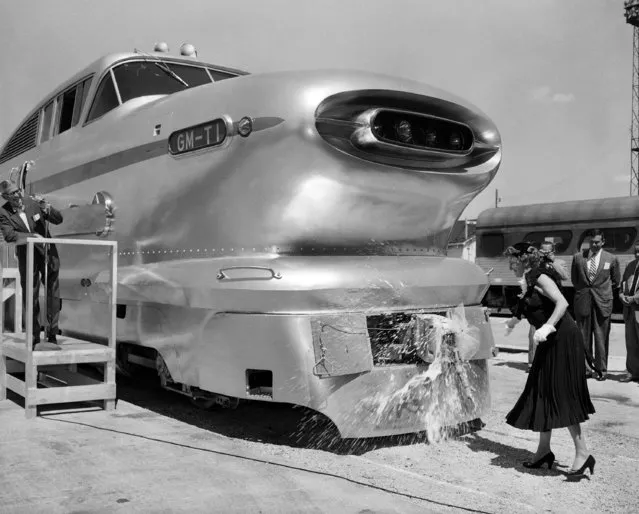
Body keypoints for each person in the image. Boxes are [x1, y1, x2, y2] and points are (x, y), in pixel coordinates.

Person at [504, 242, 596, 476]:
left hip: (562, 338)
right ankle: (544, 451)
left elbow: (562, 303)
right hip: (549, 341)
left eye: (512, 260)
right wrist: (515, 320)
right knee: (541, 390)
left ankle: (582, 452)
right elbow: (534, 304)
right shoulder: (528, 279)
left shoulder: (539, 275)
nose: (509, 264)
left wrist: (546, 327)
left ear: (524, 259)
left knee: (559, 392)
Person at [0, 180, 63, 347]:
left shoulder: (32, 202)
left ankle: (52, 334)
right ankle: (34, 335)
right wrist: (32, 238)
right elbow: (9, 236)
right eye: (12, 194)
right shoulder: (3, 213)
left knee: (53, 293)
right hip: (27, 256)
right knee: (31, 294)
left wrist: (47, 208)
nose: (17, 195)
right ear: (5, 196)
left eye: (17, 191)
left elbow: (58, 219)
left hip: (48, 253)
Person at [571, 229, 620, 381]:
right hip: (583, 301)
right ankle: (585, 369)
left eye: (597, 242)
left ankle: (601, 370)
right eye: (591, 242)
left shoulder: (611, 258)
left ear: (603, 242)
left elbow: (616, 280)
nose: (594, 244)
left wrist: (602, 292)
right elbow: (575, 280)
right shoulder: (578, 257)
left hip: (603, 302)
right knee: (583, 337)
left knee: (601, 338)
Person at [524, 242, 570, 372]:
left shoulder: (559, 262)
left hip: (553, 302)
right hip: (538, 302)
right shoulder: (536, 262)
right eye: (542, 251)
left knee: (551, 334)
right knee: (533, 332)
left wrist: (552, 260)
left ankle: (551, 362)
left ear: (553, 251)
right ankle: (532, 363)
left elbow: (565, 276)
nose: (545, 253)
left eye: (548, 251)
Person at [619, 243, 639, 382]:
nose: (637, 255)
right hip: (629, 311)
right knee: (631, 343)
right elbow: (623, 284)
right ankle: (632, 372)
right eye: (636, 252)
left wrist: (633, 298)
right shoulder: (630, 265)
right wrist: (621, 296)